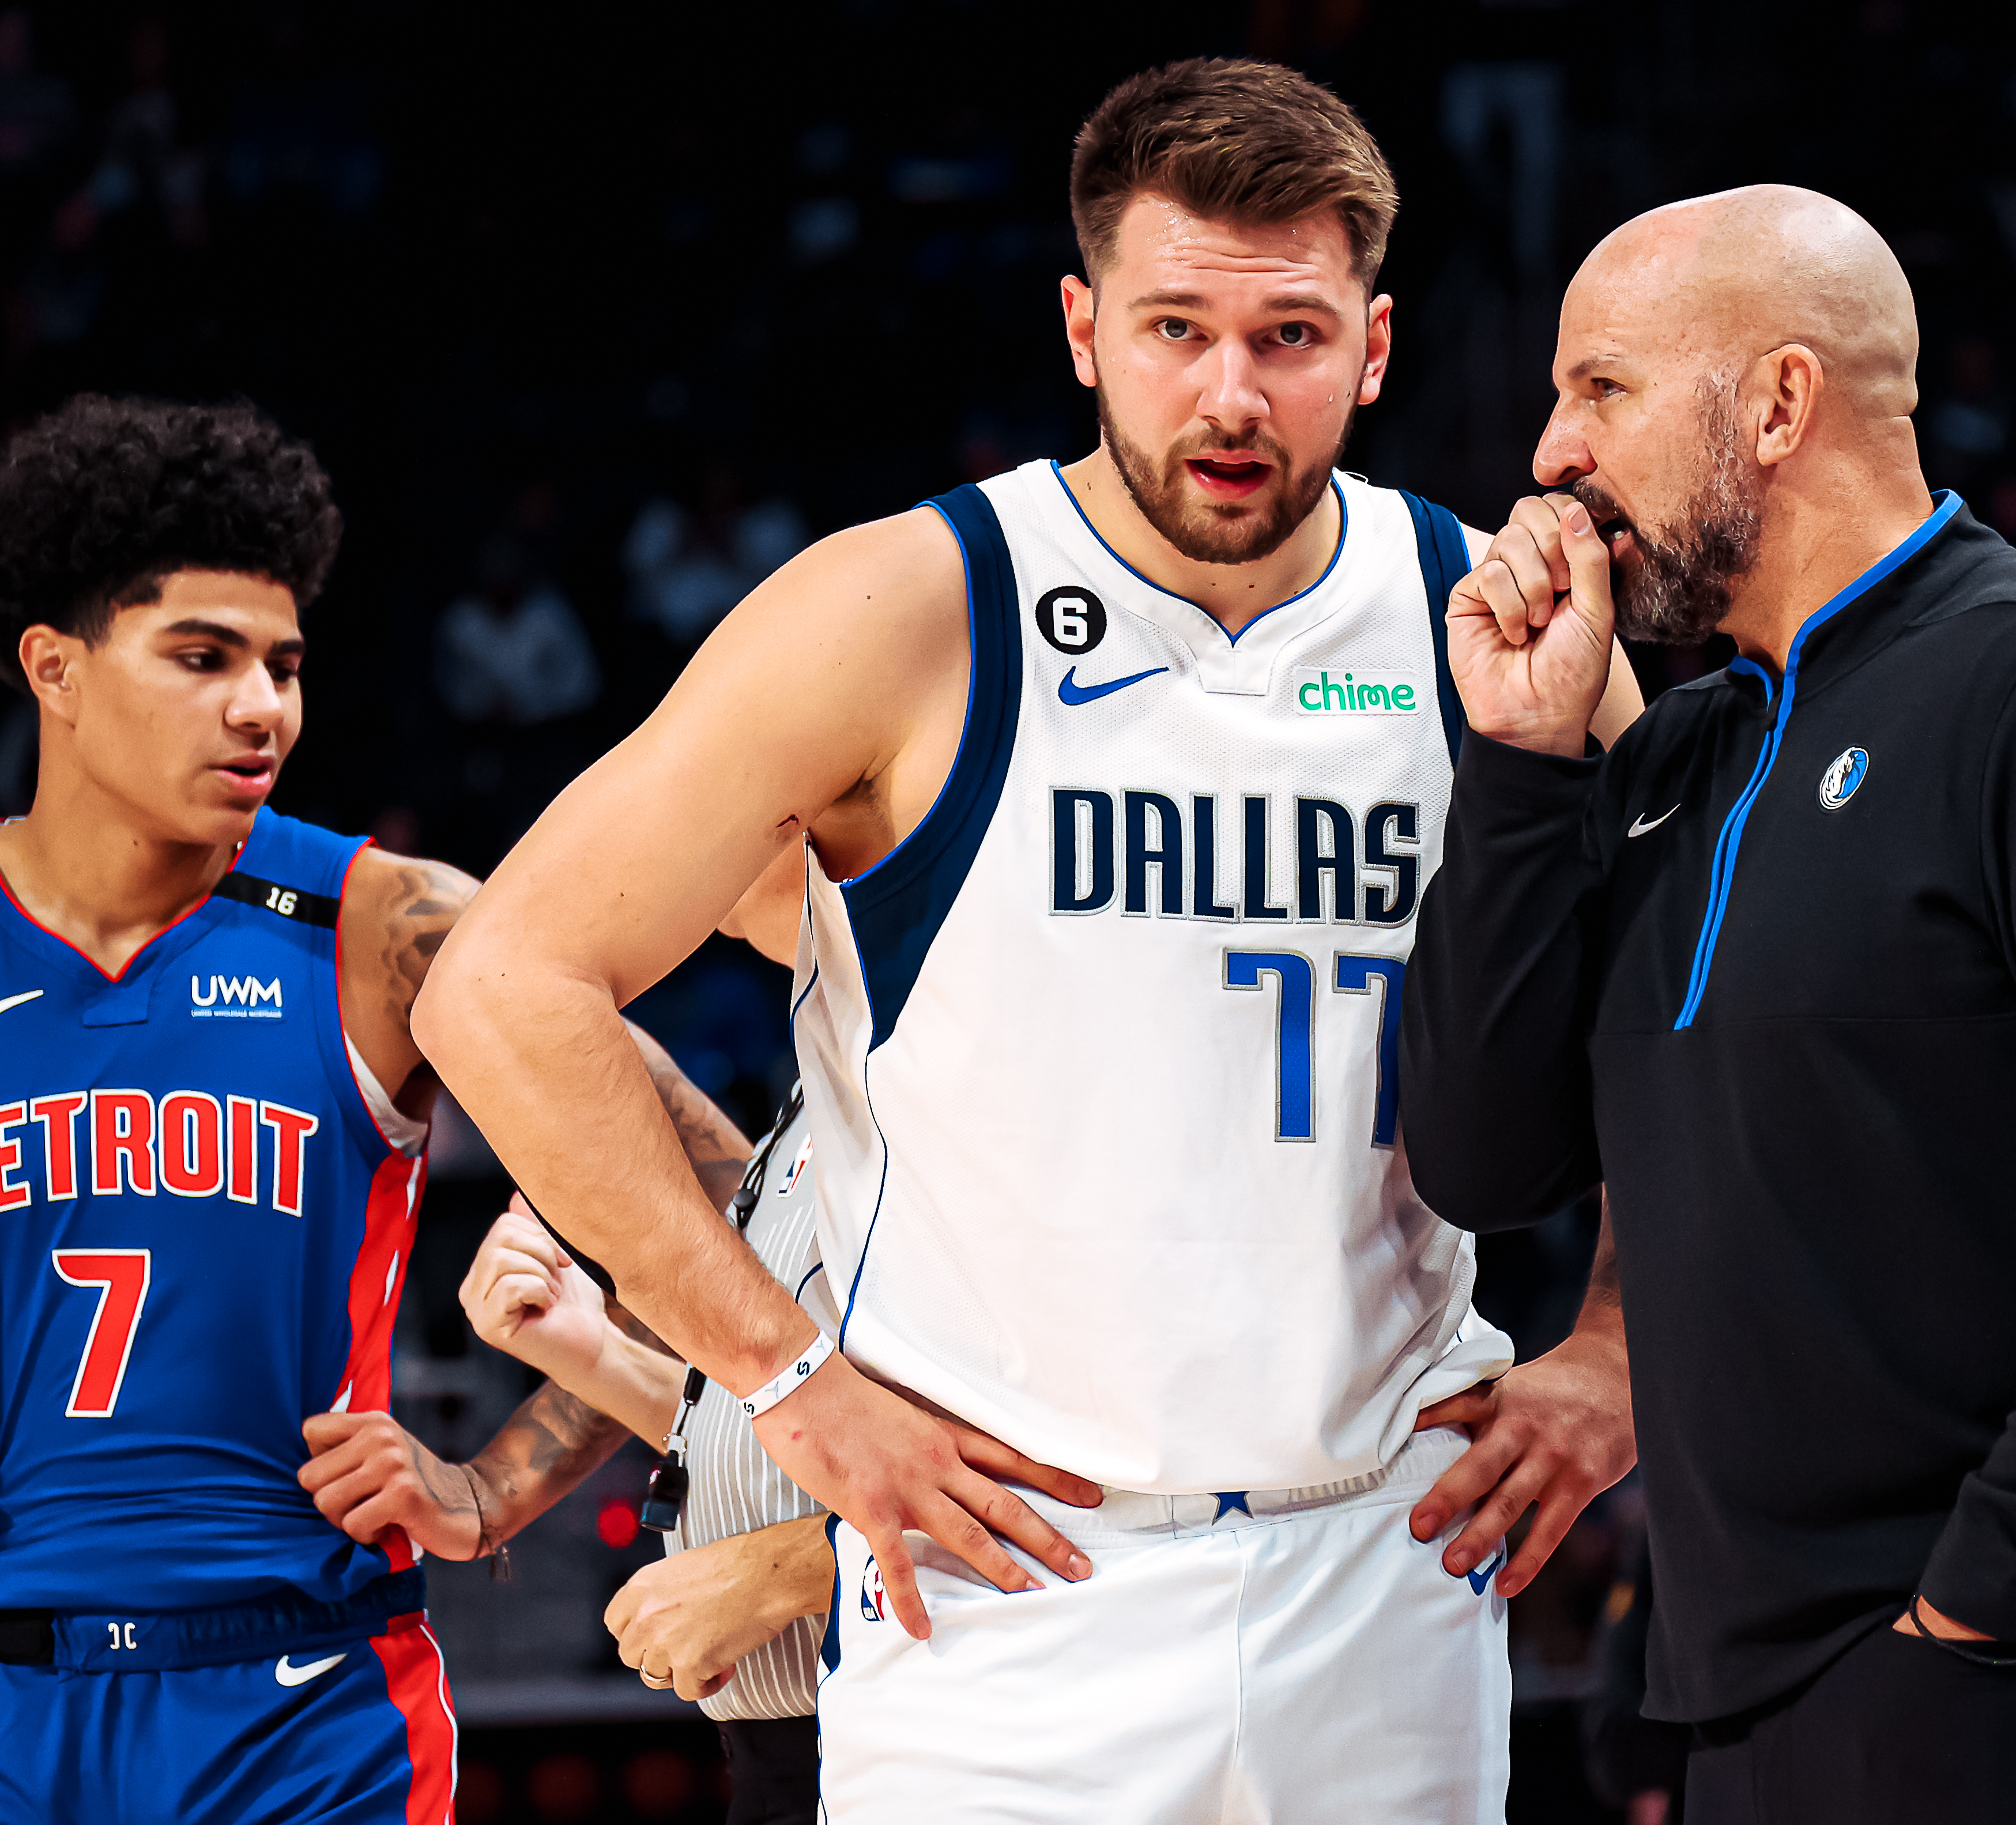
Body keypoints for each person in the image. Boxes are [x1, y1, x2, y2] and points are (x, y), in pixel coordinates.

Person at [415, 59, 1646, 1822]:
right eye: (1174, 330)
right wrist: (795, 1384)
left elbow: (1695, 1025)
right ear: (1081, 329)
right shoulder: (902, 606)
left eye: (1290, 337)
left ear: (1373, 349)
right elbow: (504, 983)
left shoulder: (1502, 632)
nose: (1230, 393)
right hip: (999, 1578)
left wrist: (1612, 1348)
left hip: (1384, 1565)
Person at [1400, 185, 2016, 1823]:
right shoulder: (1677, 755)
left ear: (1774, 402)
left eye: (1597, 387)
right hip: (1740, 1704)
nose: (1548, 453)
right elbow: (1481, 1157)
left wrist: (1972, 1608)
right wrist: (1524, 758)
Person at [0, 395, 752, 1823]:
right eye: (202, 658)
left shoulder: (380, 927)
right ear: (57, 670)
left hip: (303, 1708)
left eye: (284, 665)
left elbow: (735, 1190)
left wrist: (495, 1484)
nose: (261, 706)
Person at [460, 1095, 866, 1825]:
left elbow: (1067, 1489)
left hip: (911, 1744)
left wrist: (782, 1573)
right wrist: (603, 1356)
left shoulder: (960, 1099)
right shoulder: (812, 1092)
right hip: (774, 1758)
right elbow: (782, 1439)